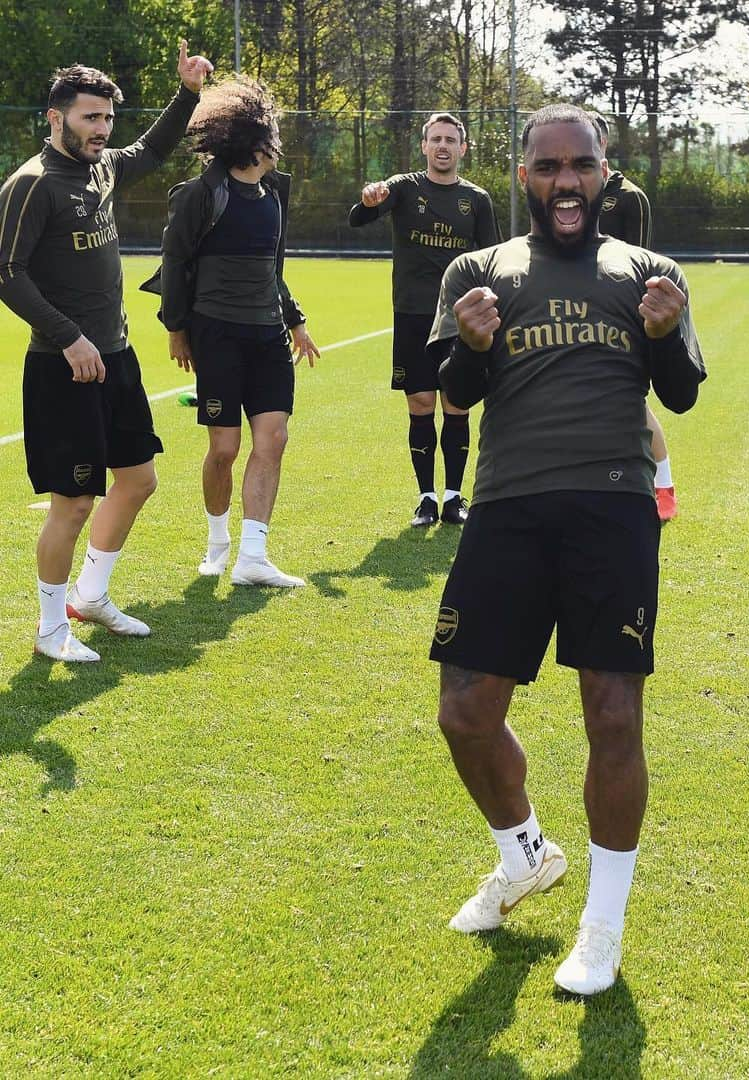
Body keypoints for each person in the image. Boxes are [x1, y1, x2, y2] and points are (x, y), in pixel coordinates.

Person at [427, 104, 706, 995]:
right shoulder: (479, 269)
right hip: (507, 506)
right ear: (522, 176)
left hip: (613, 508)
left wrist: (664, 337)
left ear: (605, 173)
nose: (565, 183)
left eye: (579, 166)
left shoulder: (649, 272)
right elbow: (457, 388)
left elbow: (683, 394)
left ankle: (602, 925)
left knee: (612, 716)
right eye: (546, 168)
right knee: (464, 711)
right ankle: (525, 858)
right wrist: (470, 346)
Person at [0, 44, 212, 663]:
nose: (101, 130)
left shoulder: (103, 168)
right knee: (72, 502)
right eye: (90, 118)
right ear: (55, 117)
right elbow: (8, 274)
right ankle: (48, 628)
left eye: (107, 119)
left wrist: (188, 93)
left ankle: (90, 596)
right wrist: (69, 337)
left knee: (139, 479)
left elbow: (150, 150)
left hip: (115, 356)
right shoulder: (31, 185)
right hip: (61, 364)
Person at [149, 78, 319, 587]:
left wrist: (295, 319)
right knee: (223, 449)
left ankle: (252, 557)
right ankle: (217, 542)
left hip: (267, 337)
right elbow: (175, 262)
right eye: (274, 132)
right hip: (217, 334)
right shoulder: (203, 194)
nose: (279, 142)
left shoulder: (274, 194)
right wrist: (177, 329)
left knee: (274, 439)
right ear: (255, 139)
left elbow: (271, 269)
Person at [348, 114, 499, 528]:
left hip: (458, 319)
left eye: (451, 139)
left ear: (463, 148)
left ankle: (453, 497)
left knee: (456, 404)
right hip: (412, 314)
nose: (443, 146)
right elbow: (357, 219)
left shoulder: (477, 199)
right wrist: (368, 200)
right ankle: (426, 498)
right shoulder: (404, 187)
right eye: (436, 139)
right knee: (420, 404)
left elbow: (493, 260)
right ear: (424, 146)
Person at [593, 114, 679, 522]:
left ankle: (664, 487)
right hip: (578, 313)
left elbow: (642, 264)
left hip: (623, 315)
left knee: (632, 402)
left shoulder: (630, 196)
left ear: (604, 143)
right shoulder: (571, 193)